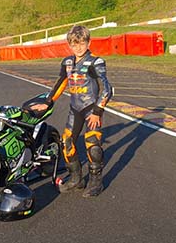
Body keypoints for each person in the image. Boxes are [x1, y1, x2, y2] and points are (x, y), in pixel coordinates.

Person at [29, 25, 113, 198]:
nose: (78, 47)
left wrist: (98, 111)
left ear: (88, 42)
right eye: (74, 44)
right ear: (69, 44)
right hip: (75, 109)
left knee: (93, 146)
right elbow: (61, 83)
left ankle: (96, 182)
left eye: (82, 43)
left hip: (91, 109)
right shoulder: (67, 62)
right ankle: (76, 178)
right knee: (66, 142)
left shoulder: (96, 62)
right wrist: (47, 102)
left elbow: (106, 88)